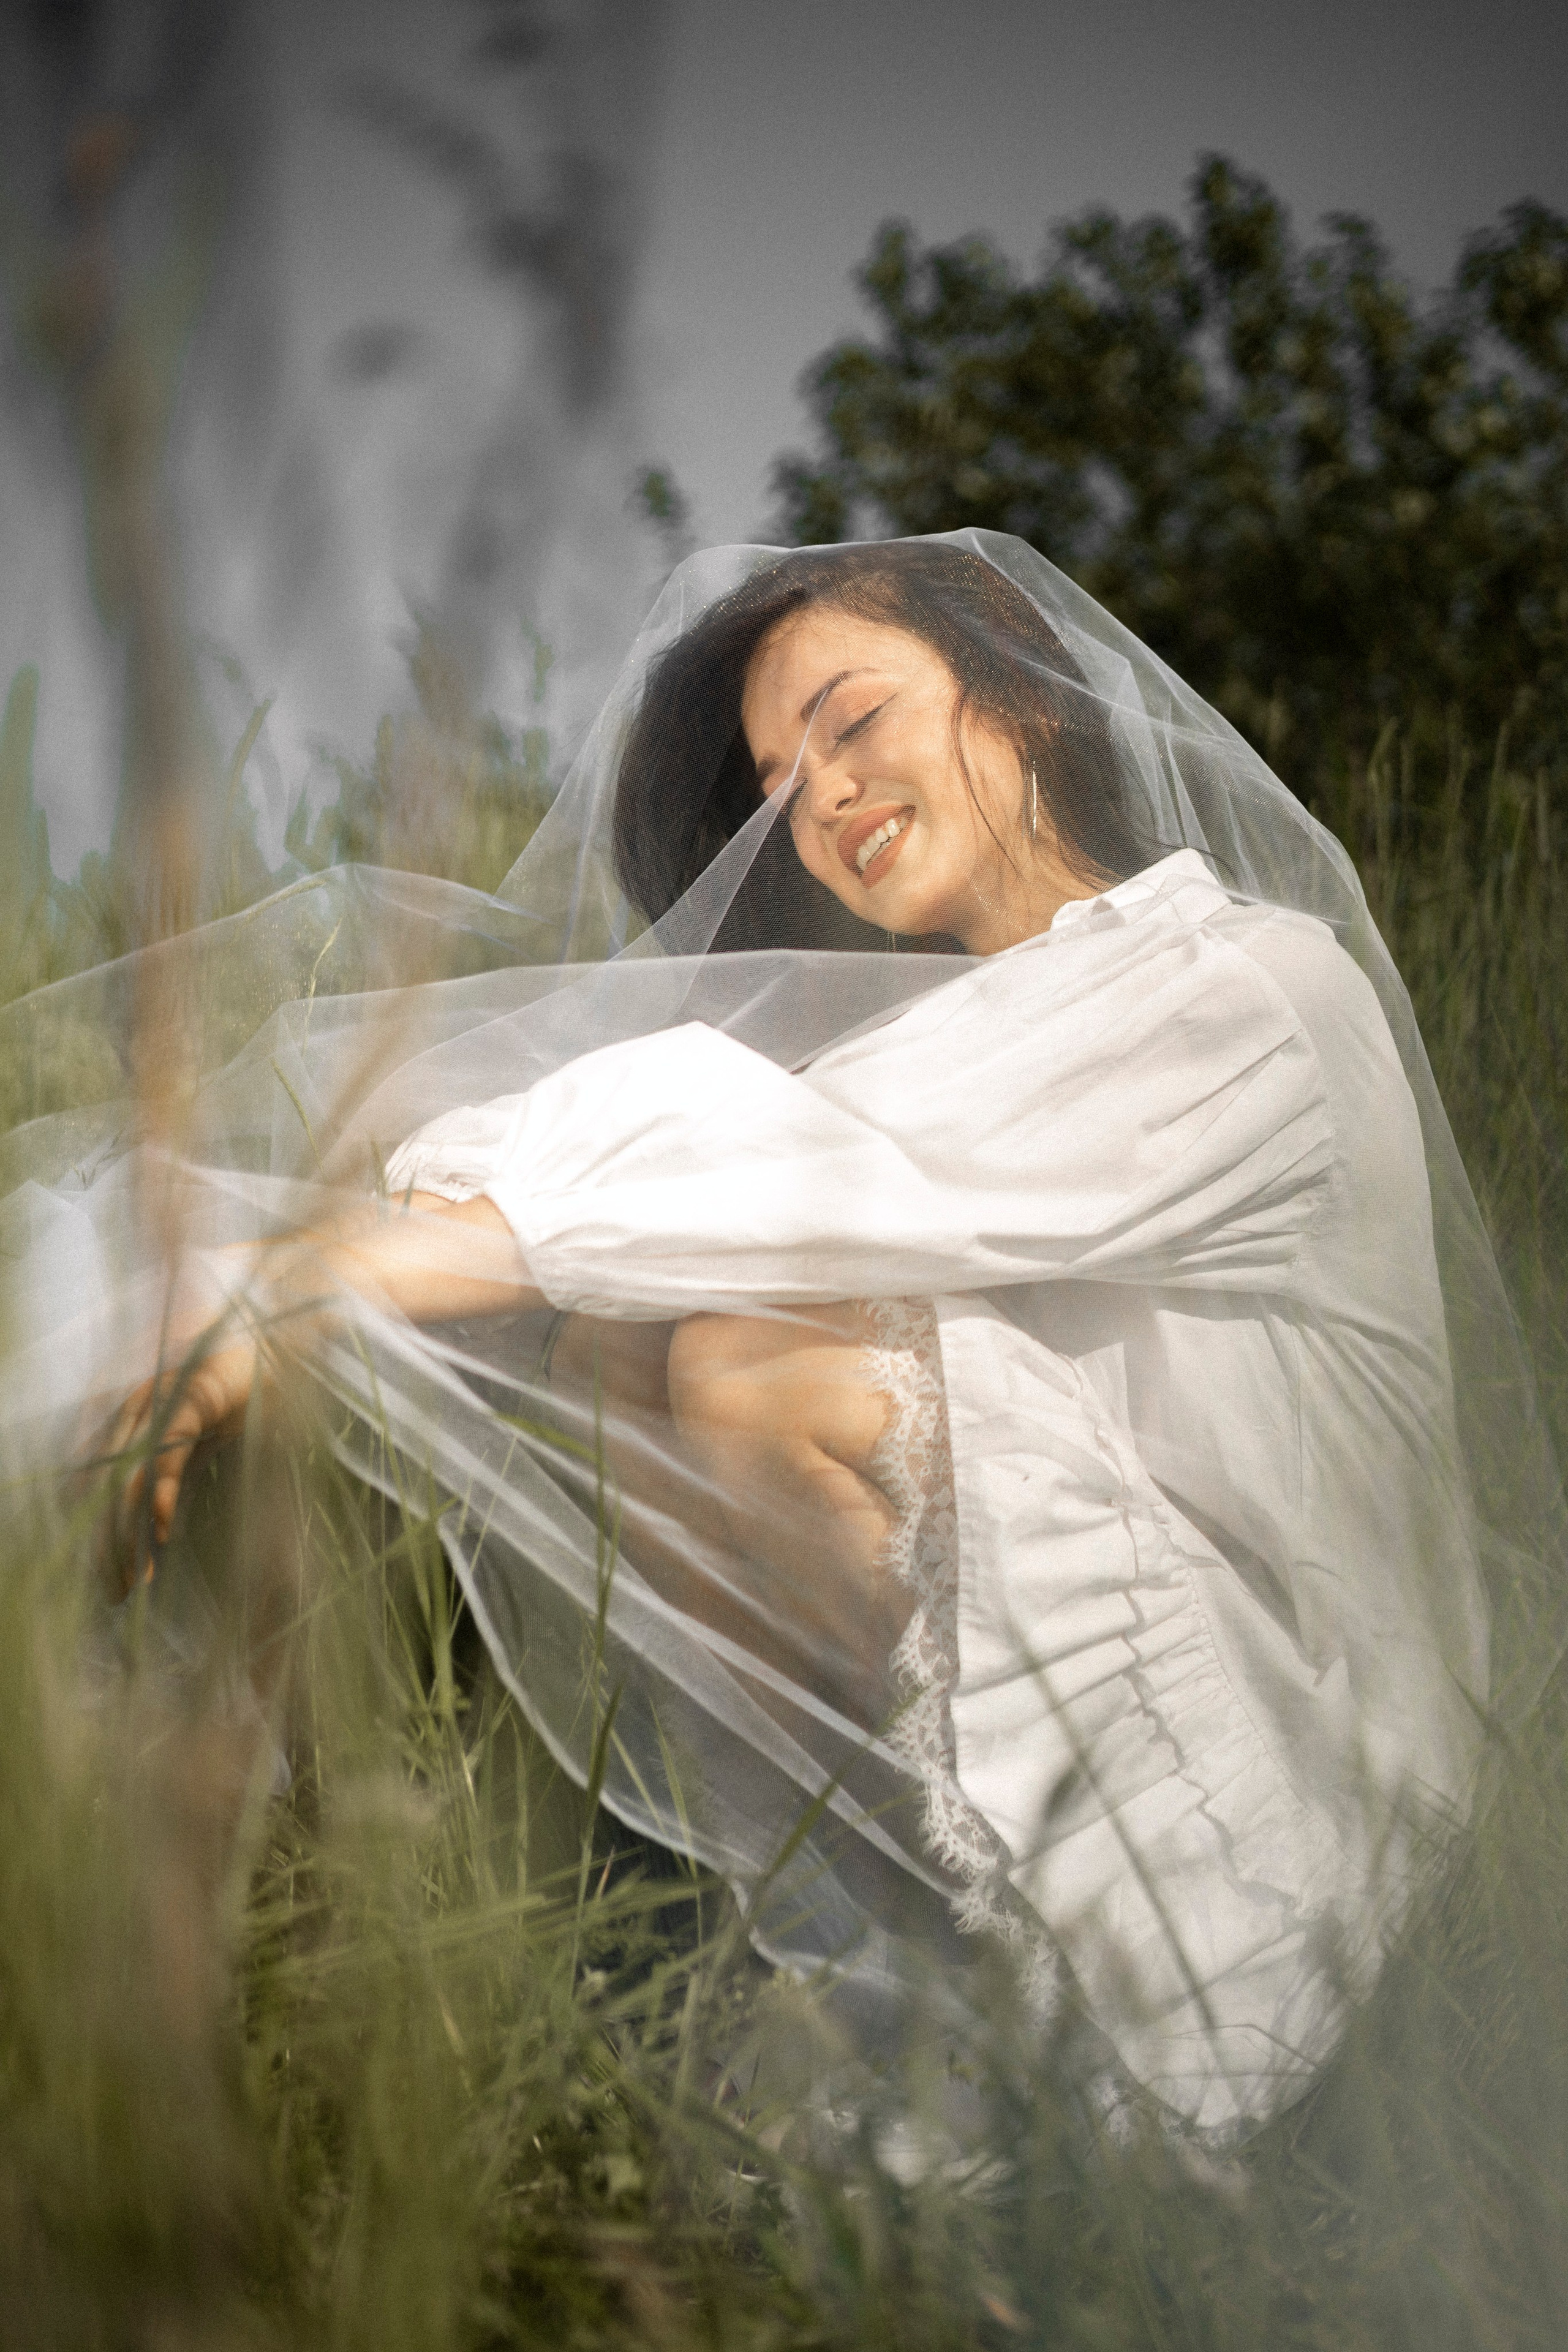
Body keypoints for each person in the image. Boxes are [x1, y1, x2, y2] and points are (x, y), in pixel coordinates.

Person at [10, 535, 1543, 2138]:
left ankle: (1053, 2007)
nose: (823, 797)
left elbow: (748, 1169)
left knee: (743, 1362)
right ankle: (217, 1935)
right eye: (780, 783)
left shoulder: (1243, 985)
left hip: (1300, 1755)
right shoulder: (962, 1040)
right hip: (1101, 1640)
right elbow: (682, 1196)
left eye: (854, 721)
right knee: (615, 1345)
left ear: (1019, 696)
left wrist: (271, 1297)